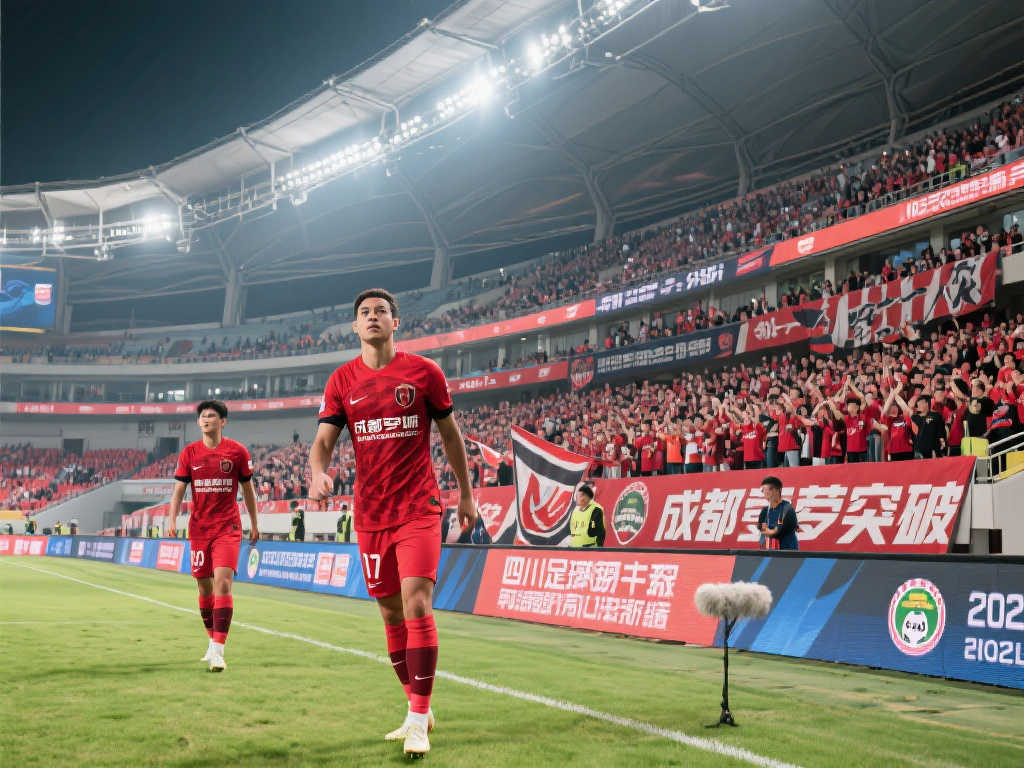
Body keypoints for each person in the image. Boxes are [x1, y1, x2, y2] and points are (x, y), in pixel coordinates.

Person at [308, 288, 477, 758]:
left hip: (419, 508)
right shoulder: (342, 380)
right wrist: (318, 472)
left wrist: (466, 493)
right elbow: (323, 441)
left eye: (381, 311)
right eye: (364, 312)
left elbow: (450, 436)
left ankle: (419, 720)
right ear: (355, 326)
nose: (373, 317)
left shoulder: (425, 373)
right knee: (390, 614)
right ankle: (416, 706)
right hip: (371, 514)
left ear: (395, 322)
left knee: (416, 603)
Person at [168, 400, 260, 672]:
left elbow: (248, 490)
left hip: (228, 529)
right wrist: (172, 519)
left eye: (212, 415)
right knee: (204, 588)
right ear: (199, 422)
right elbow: (178, 491)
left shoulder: (237, 452)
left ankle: (219, 650)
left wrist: (254, 523)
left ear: (223, 421)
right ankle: (211, 640)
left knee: (223, 583)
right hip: (199, 530)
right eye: (203, 416)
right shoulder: (189, 453)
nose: (206, 419)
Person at [757, 476, 799, 550]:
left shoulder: (787, 508)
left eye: (767, 489)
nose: (764, 492)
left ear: (777, 490)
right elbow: (761, 526)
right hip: (769, 551)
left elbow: (778, 530)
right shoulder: (765, 510)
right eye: (763, 490)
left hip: (787, 551)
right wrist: (764, 529)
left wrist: (770, 531)